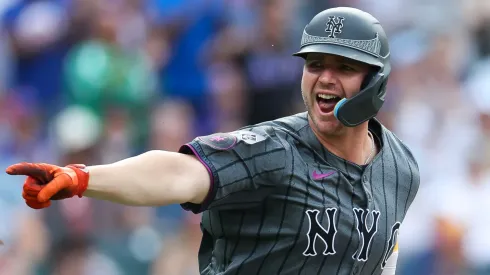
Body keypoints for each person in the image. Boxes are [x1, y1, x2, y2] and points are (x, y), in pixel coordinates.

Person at [5, 7, 420, 275]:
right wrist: (82, 178)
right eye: (315, 63)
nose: (325, 78)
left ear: (375, 82)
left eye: (344, 67)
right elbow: (180, 172)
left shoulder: (401, 167)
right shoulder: (274, 148)